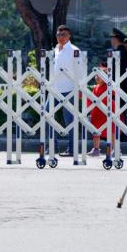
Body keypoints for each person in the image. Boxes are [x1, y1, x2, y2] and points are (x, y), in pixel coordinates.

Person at [50, 25, 84, 158]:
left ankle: (72, 149)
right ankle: (52, 145)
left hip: (69, 89)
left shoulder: (74, 50)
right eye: (58, 35)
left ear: (69, 36)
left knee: (70, 121)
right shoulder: (56, 49)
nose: (60, 37)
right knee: (47, 115)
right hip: (55, 89)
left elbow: (80, 71)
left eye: (63, 34)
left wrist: (79, 88)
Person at [87, 62, 115, 157]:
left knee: (111, 131)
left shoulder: (109, 86)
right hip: (97, 112)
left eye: (100, 76)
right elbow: (91, 100)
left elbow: (115, 94)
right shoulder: (96, 88)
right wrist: (90, 111)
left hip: (107, 111)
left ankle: (114, 148)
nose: (97, 78)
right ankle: (96, 148)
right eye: (96, 76)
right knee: (95, 132)